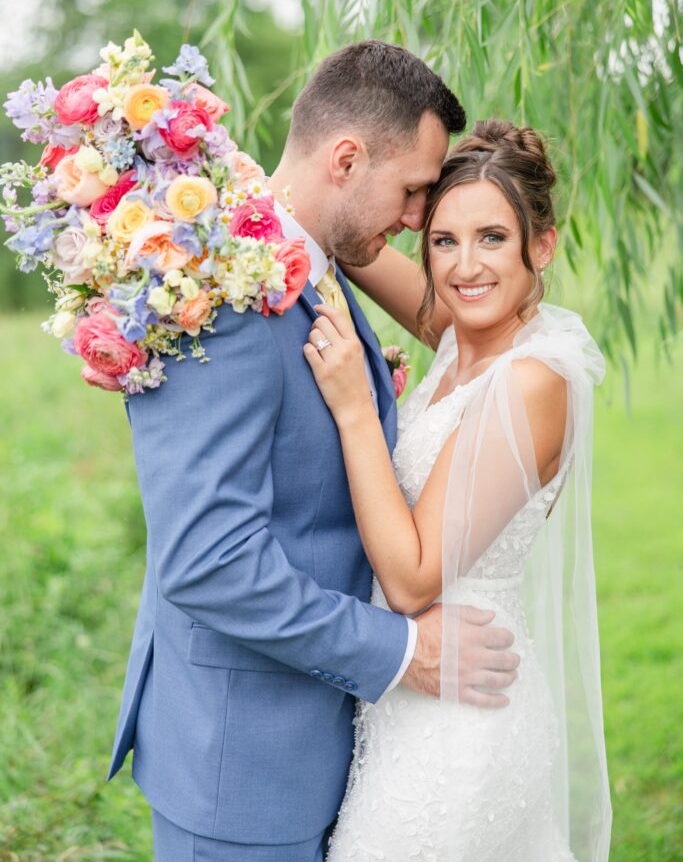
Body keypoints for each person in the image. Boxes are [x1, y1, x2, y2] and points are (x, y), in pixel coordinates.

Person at [108, 43, 521, 861]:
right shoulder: (219, 293)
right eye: (410, 190)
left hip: (315, 738)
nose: (415, 219)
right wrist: (404, 651)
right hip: (242, 764)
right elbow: (207, 562)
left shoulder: (306, 269)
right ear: (345, 157)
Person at [305, 119, 612, 861]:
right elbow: (341, 236)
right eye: (443, 240)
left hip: (462, 721)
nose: (464, 266)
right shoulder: (459, 332)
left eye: (492, 238)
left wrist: (355, 409)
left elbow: (411, 580)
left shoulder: (531, 380)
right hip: (410, 697)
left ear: (542, 245)